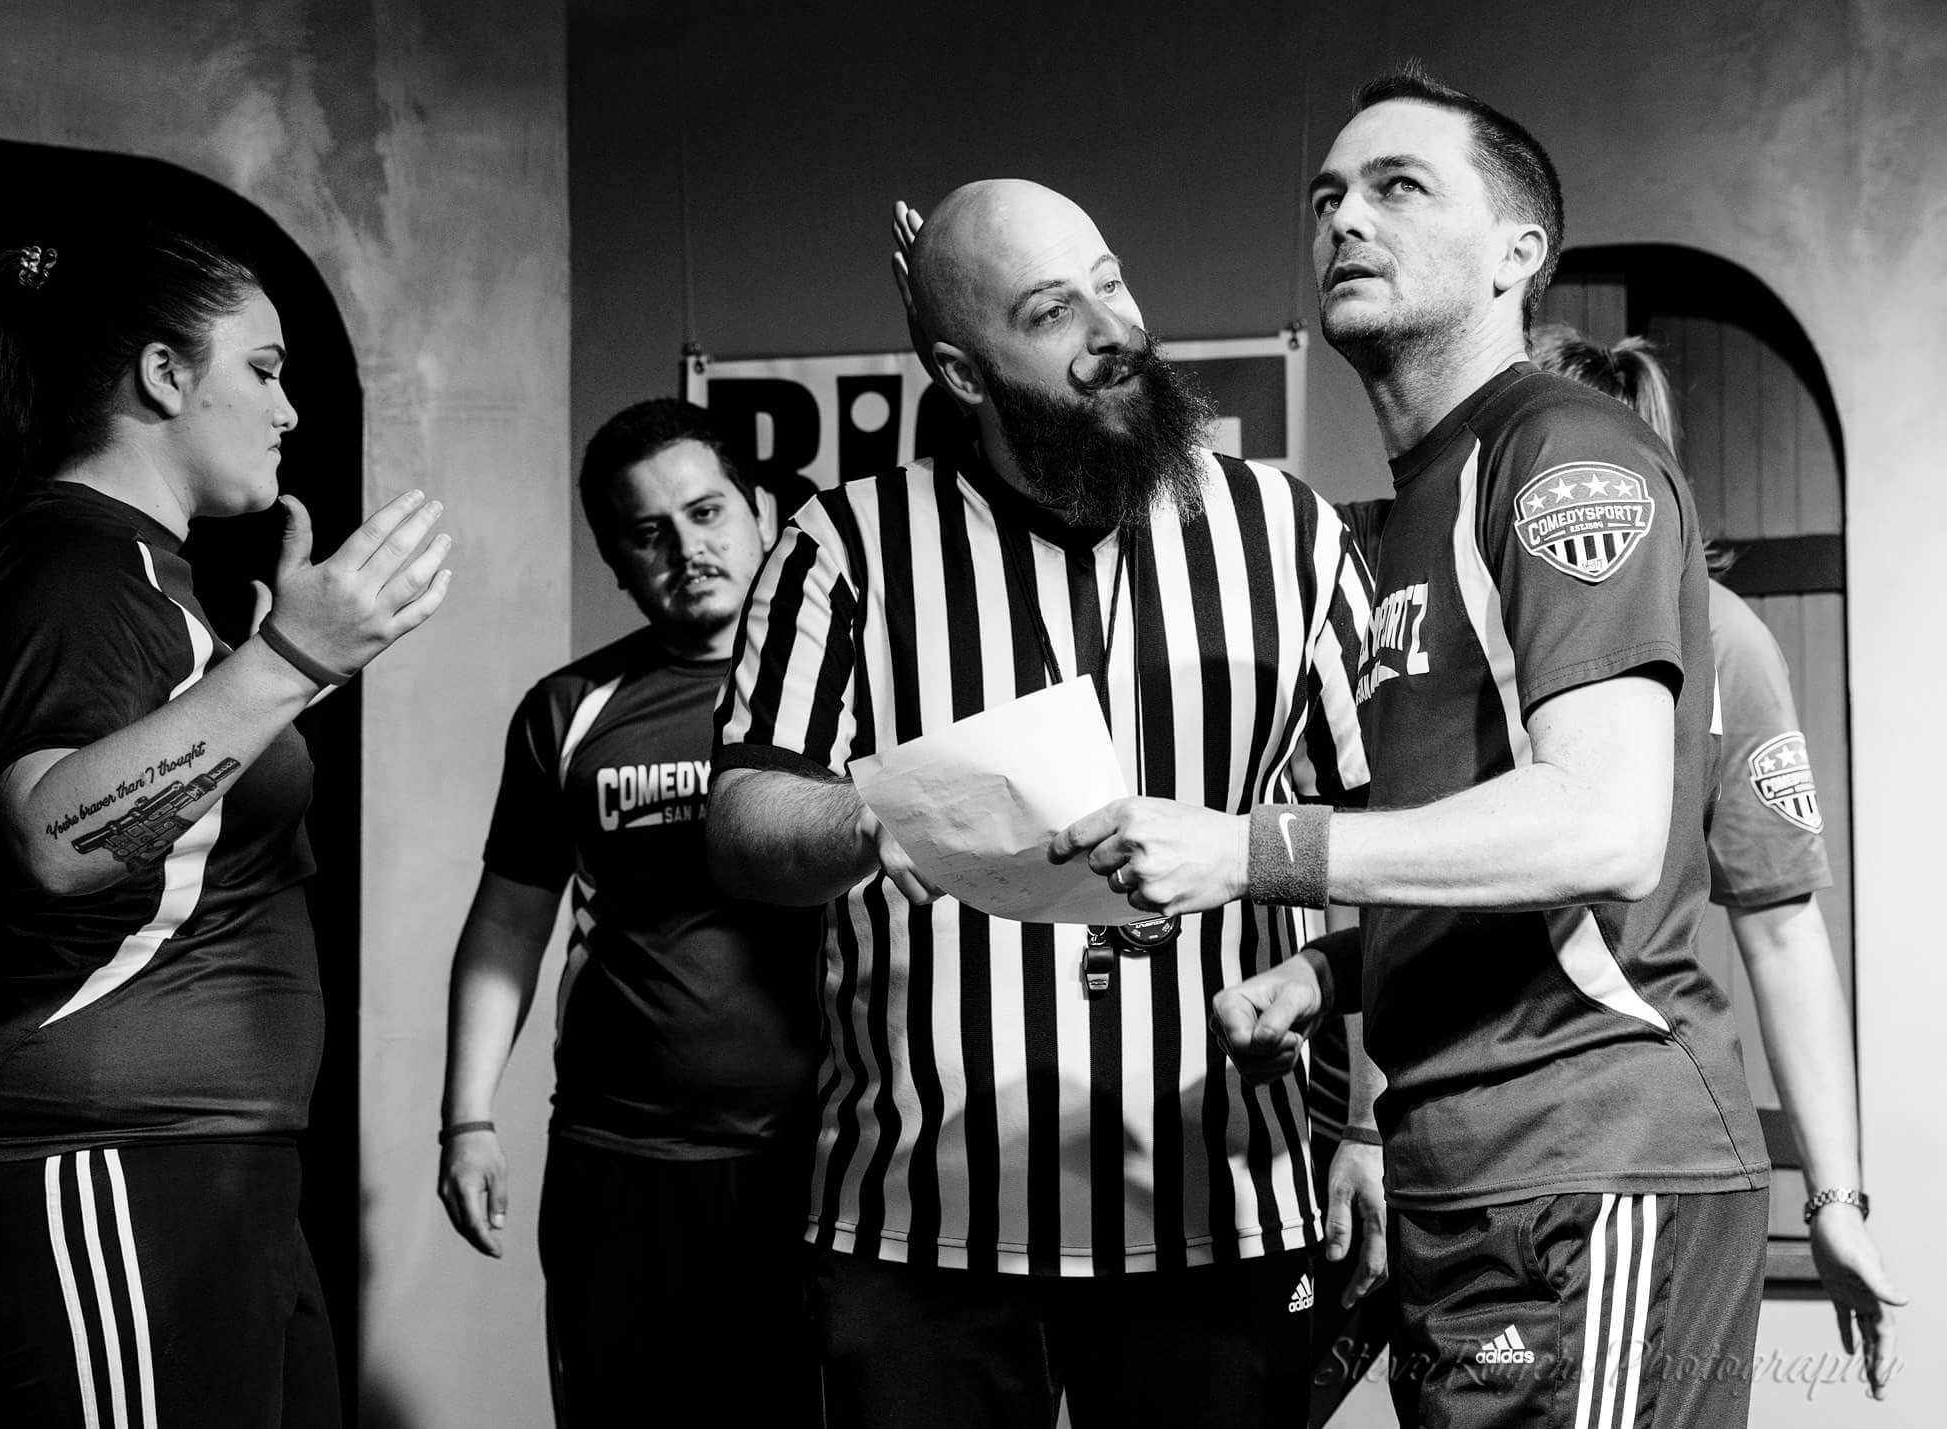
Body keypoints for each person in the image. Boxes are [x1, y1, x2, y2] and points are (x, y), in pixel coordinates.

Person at [1048, 65, 1769, 1427]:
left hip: (1592, 1157)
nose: (1345, 218)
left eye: (1398, 187)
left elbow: (1604, 826)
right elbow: (1488, 857)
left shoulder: (1561, 452)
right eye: (1328, 194)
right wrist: (1330, 975)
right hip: (1473, 1180)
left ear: (1516, 254)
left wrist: (1251, 852)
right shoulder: (1413, 508)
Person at [707, 179, 1374, 1429]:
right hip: (921, 1222)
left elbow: (1377, 843)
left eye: (1111, 282)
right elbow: (741, 821)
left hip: (1223, 1203)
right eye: (1051, 311)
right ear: (963, 373)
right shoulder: (844, 548)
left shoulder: (1287, 533)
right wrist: (871, 820)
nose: (1113, 328)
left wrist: (1372, 1121)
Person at [0, 233, 450, 1427]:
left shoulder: (141, 573)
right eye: (263, 370)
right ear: (165, 375)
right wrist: (286, 663)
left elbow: (158, 803)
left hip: (203, 1161)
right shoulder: (76, 563)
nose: (289, 409)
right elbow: (62, 836)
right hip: (105, 1158)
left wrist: (270, 686)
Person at [435, 397, 823, 1426]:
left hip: (820, 1161)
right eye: (648, 532)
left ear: (763, 512)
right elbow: (508, 924)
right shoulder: (569, 710)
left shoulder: (849, 696)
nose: (687, 549)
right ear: (614, 559)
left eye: (707, 513)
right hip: (620, 1163)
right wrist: (466, 1118)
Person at [1531, 324, 1902, 1393]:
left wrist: (1835, 1200)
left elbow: (1782, 931)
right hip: (1467, 1151)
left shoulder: (1726, 640)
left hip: (1636, 1145)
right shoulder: (1465, 644)